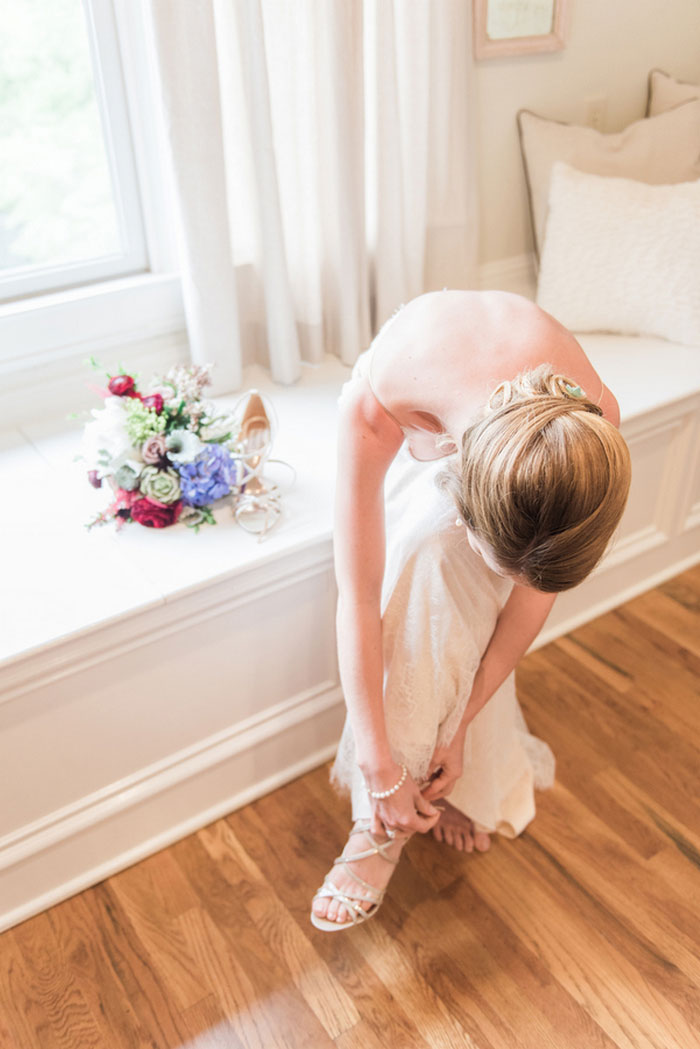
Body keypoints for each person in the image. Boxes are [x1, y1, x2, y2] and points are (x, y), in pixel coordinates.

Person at [310, 289, 631, 932]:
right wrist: (379, 767)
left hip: (506, 430)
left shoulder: (589, 433)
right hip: (423, 422)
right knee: (431, 563)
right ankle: (381, 829)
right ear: (468, 500)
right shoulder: (377, 408)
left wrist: (457, 726)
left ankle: (445, 771)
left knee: (462, 597)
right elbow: (360, 593)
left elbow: (529, 603)